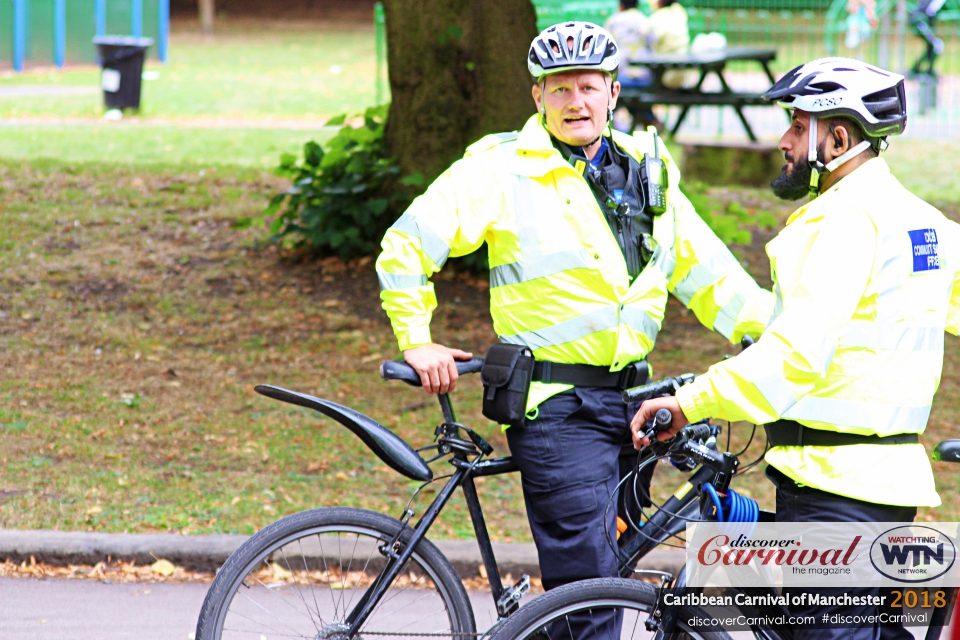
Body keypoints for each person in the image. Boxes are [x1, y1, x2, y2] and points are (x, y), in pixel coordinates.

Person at [376, 20, 772, 637]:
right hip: (556, 409)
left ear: (613, 92)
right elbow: (405, 245)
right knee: (591, 594)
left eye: (588, 87)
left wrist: (772, 335)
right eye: (559, 89)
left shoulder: (649, 167)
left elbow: (707, 271)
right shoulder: (501, 169)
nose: (575, 102)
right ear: (537, 97)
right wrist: (416, 337)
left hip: (635, 402)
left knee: (608, 575)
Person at [631, 57, 960, 640]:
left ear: (838, 138)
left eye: (796, 124)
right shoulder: (923, 223)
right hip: (876, 484)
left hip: (835, 486)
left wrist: (690, 401)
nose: (783, 140)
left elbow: (792, 356)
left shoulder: (842, 223)